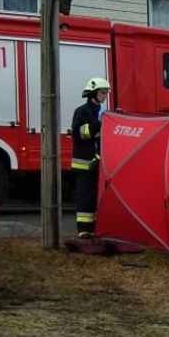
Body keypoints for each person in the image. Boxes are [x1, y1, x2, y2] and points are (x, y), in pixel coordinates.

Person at [71, 77, 111, 239]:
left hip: (98, 162)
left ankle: (95, 229)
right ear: (93, 93)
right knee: (85, 198)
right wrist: (98, 123)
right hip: (84, 165)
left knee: (96, 198)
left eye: (106, 93)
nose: (105, 96)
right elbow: (82, 134)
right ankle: (84, 230)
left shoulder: (101, 112)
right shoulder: (81, 111)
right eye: (102, 93)